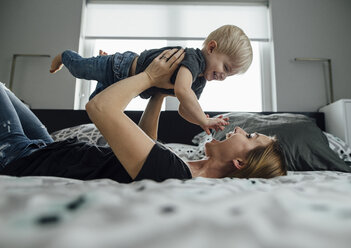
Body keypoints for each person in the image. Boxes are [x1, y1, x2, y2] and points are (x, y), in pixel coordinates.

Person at [0, 49, 286, 182]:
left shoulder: (175, 173)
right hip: (50, 147)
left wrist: (150, 76)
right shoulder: (185, 166)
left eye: (248, 137)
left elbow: (99, 107)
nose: (238, 130)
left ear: (239, 162)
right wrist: (160, 93)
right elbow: (147, 142)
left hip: (23, 158)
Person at [49, 25, 253, 135]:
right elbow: (182, 91)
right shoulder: (194, 59)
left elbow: (183, 109)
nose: (223, 77)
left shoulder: (199, 82)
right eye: (225, 67)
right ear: (211, 48)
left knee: (93, 109)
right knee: (79, 70)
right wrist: (203, 118)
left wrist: (199, 122)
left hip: (124, 85)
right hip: (120, 66)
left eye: (229, 75)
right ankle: (66, 55)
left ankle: (102, 70)